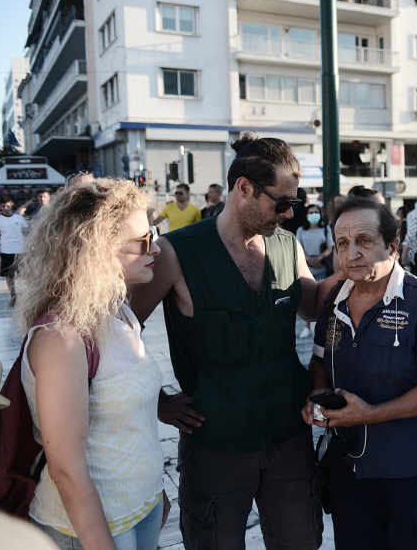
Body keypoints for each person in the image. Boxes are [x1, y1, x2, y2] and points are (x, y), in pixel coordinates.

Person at [129, 133, 328, 550]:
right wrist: (157, 401)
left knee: (301, 542)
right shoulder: (176, 252)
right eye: (282, 203)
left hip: (289, 438)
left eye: (294, 203)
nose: (290, 214)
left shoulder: (287, 245)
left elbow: (312, 306)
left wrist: (361, 266)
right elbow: (119, 330)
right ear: (244, 189)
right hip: (214, 445)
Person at [302, 196, 417, 550]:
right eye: (343, 243)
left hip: (409, 473)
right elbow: (319, 363)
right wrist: (316, 394)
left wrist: (371, 414)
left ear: (392, 246)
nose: (352, 253)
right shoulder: (334, 302)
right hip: (346, 470)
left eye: (364, 240)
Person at [15, 179, 165, 549]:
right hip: (88, 530)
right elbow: (66, 470)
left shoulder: (119, 312)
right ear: (98, 249)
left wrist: (157, 498)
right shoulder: (61, 338)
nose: (157, 247)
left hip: (141, 510)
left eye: (155, 234)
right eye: (144, 240)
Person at [296, 203, 335, 338]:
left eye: (316, 212)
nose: (314, 215)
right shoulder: (301, 230)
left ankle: (323, 325)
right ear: (306, 216)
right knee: (308, 298)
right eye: (311, 212)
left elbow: (330, 247)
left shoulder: (325, 229)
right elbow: (298, 246)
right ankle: (307, 327)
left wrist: (319, 258)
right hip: (306, 268)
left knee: (324, 297)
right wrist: (308, 259)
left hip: (322, 267)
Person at [0, 198, 29, 306]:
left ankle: (28, 295)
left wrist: (29, 245)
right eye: (3, 206)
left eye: (7, 206)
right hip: (6, 250)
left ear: (12, 205)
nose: (6, 208)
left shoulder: (19, 218)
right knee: (9, 275)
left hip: (20, 250)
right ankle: (13, 295)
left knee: (25, 274)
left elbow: (27, 231)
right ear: (0, 206)